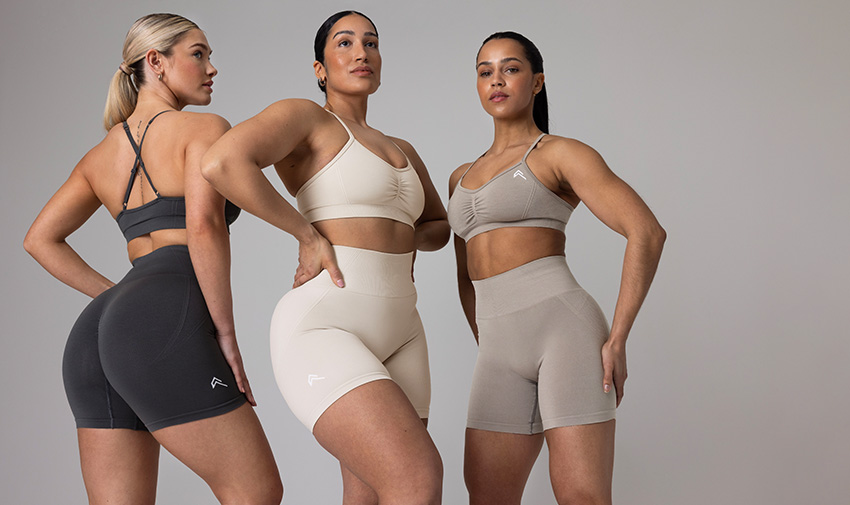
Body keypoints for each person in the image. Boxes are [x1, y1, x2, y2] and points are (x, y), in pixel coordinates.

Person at [23, 13, 282, 504]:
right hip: (166, 315)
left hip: (97, 333)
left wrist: (119, 299)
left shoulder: (99, 156)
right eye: (199, 53)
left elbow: (38, 239)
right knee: (256, 492)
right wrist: (225, 334)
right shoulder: (204, 129)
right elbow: (203, 227)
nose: (212, 67)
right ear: (156, 63)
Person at [201, 10, 448, 505]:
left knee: (370, 493)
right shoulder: (308, 117)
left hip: (403, 329)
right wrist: (306, 233)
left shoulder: (404, 149)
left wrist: (397, 237)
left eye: (372, 43)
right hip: (326, 323)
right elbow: (223, 162)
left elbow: (437, 228)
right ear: (320, 68)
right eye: (345, 43)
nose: (362, 53)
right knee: (416, 479)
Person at [447, 31, 666, 505]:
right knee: (486, 496)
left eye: (511, 68)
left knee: (581, 497)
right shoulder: (459, 177)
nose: (496, 80)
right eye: (485, 71)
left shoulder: (560, 154)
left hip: (563, 333)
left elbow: (646, 232)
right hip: (497, 351)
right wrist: (489, 342)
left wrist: (618, 337)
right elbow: (465, 276)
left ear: (537, 81)